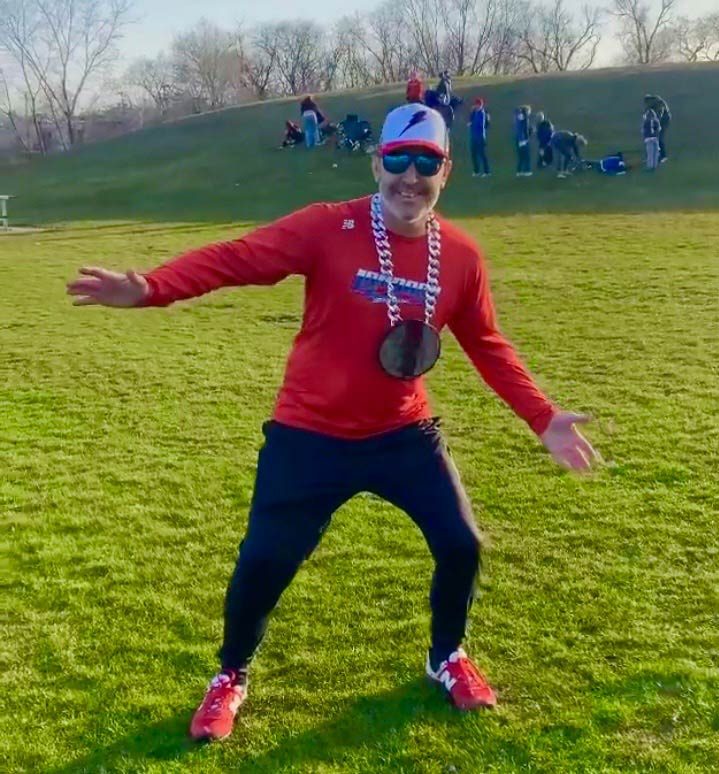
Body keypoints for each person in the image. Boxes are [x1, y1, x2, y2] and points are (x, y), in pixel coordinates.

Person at [66, 102, 600, 743]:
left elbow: (486, 344)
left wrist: (542, 418)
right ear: (377, 162)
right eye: (397, 159)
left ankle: (446, 657)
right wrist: (152, 287)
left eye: (424, 162)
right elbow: (238, 257)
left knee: (462, 545)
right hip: (309, 436)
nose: (409, 176)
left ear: (445, 172)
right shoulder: (328, 226)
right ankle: (230, 676)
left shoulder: (459, 254)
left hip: (404, 433)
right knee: (263, 563)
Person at [644, 94, 671, 163]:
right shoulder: (653, 103)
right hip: (660, 120)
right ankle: (656, 155)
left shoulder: (658, 102)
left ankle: (663, 156)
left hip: (665, 119)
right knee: (655, 138)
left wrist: (657, 122)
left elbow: (661, 112)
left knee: (659, 138)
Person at [468, 98, 491, 177]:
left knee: (482, 154)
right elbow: (470, 120)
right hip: (474, 137)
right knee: (474, 155)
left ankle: (486, 171)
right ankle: (476, 171)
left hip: (480, 137)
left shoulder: (482, 113)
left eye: (478, 105)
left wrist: (472, 124)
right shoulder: (474, 113)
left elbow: (481, 125)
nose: (477, 106)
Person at [514, 105, 532, 177]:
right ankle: (527, 171)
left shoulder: (518, 118)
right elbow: (525, 130)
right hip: (523, 140)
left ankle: (519, 171)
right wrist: (527, 137)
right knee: (526, 156)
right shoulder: (525, 119)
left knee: (521, 157)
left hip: (518, 139)